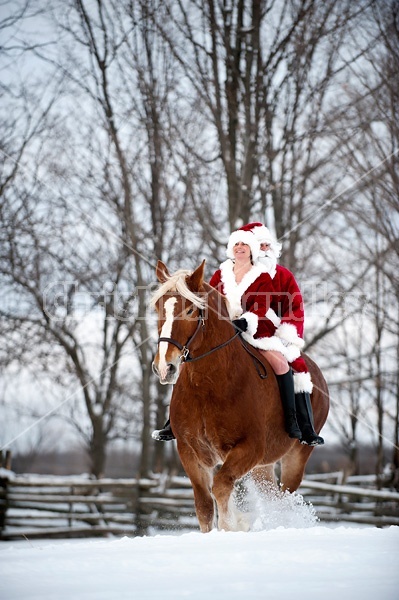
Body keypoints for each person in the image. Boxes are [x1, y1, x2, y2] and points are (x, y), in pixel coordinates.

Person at [153, 224, 323, 446]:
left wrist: (250, 321)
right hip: (222, 331)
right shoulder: (221, 273)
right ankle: (172, 421)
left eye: (253, 244)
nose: (243, 248)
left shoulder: (265, 275)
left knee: (282, 365)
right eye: (237, 244)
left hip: (257, 331)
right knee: (185, 363)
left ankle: (294, 421)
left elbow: (264, 306)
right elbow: (207, 299)